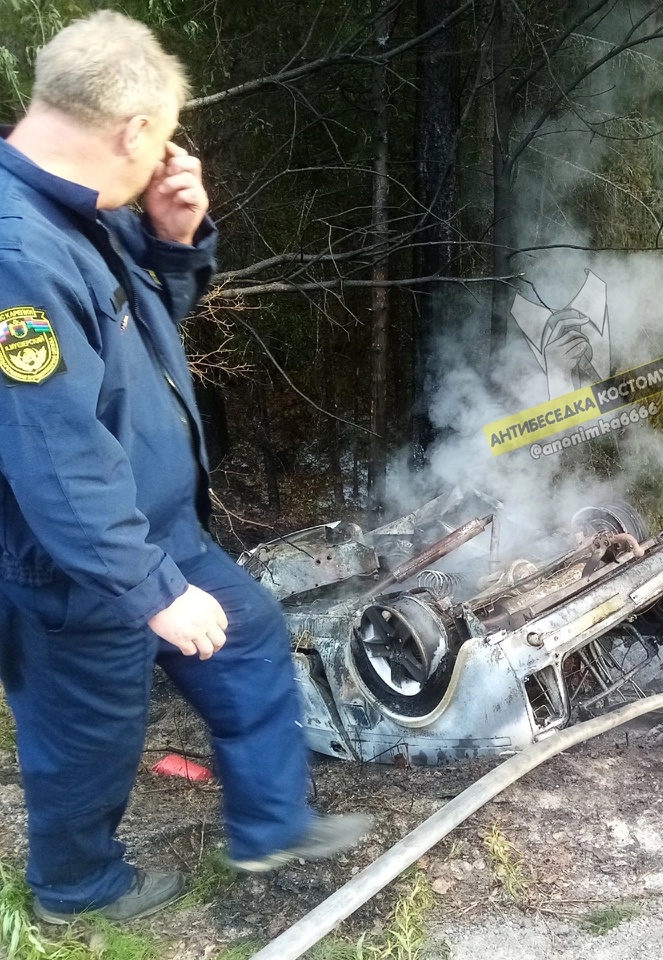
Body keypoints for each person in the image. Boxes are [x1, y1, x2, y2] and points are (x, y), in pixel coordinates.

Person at [0, 11, 369, 923]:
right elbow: (55, 456)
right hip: (72, 561)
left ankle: (270, 824)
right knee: (91, 736)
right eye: (162, 142)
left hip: (153, 527)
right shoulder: (18, 253)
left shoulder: (88, 213)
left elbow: (147, 335)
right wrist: (152, 590)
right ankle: (75, 892)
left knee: (247, 636)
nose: (165, 159)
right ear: (129, 131)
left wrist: (175, 237)